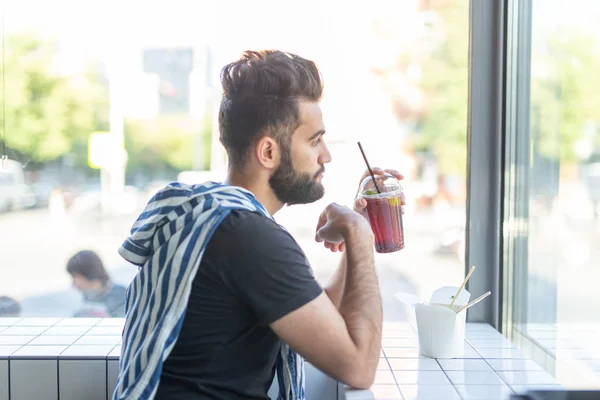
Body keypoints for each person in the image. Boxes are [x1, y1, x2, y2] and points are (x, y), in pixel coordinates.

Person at [113, 50, 405, 400]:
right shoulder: (247, 236)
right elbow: (358, 367)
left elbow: (316, 318)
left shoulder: (213, 216)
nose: (326, 155)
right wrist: (357, 235)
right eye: (314, 141)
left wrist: (359, 224)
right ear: (268, 152)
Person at [66, 250, 126, 318]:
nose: (73, 282)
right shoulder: (89, 295)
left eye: (76, 276)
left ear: (88, 273)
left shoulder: (122, 295)